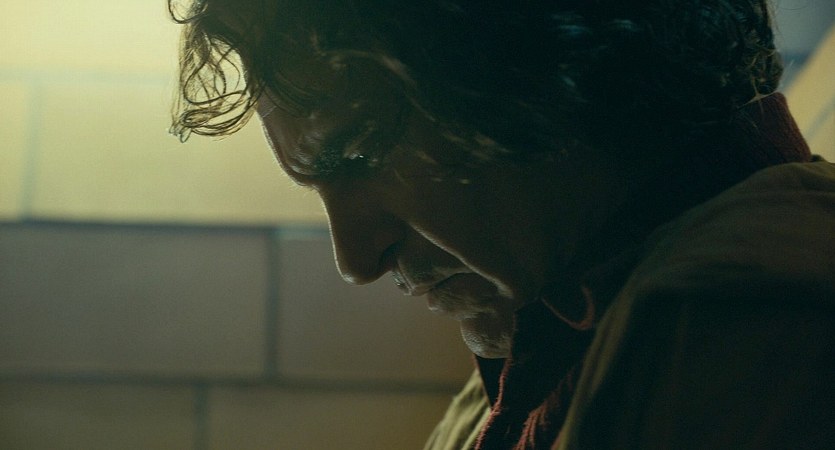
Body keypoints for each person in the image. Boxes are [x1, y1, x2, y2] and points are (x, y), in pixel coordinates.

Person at [167, 0, 835, 448]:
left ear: (537, 69)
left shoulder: (751, 322)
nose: (356, 260)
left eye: (363, 152)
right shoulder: (543, 347)